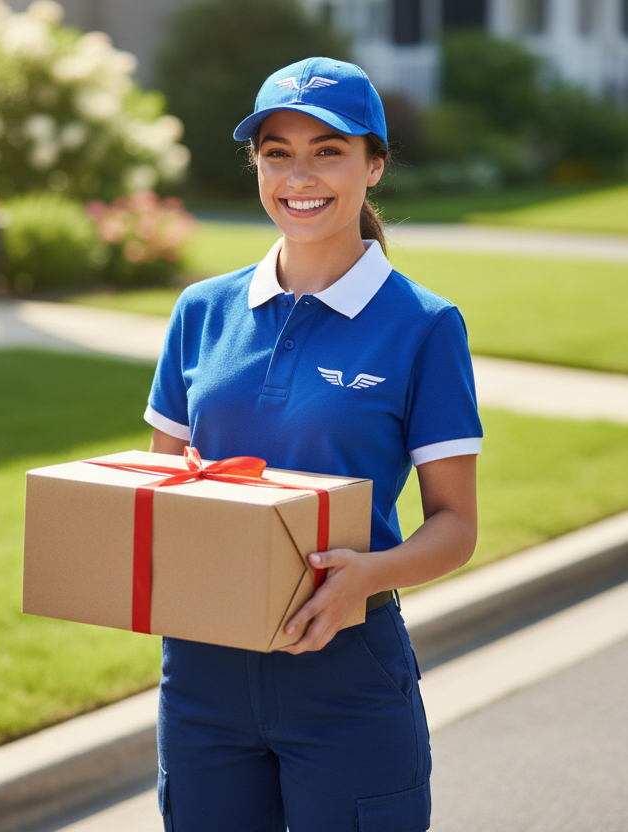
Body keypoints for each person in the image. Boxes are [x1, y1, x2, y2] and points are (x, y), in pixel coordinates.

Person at [145, 56, 482, 832]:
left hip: (345, 677)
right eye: (278, 152)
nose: (300, 176)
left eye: (328, 150)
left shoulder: (425, 326)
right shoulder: (201, 311)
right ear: (257, 166)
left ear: (375, 164)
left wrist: (369, 574)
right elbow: (159, 490)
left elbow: (456, 525)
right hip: (202, 674)